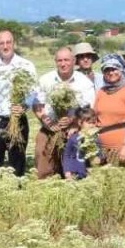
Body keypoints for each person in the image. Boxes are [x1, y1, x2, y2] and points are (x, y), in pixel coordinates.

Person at [31, 47, 97, 179]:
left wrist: (73, 121)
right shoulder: (46, 79)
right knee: (42, 150)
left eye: (66, 60)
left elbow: (89, 109)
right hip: (50, 126)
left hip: (75, 128)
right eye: (59, 60)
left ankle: (74, 178)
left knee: (73, 161)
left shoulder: (84, 82)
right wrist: (45, 119)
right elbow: (37, 104)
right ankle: (46, 182)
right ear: (55, 62)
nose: (63, 64)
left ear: (73, 61)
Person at [0, 27, 37, 176]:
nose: (5, 46)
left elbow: (33, 92)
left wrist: (24, 106)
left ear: (14, 43)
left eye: (8, 42)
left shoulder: (26, 65)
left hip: (17, 122)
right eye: (1, 43)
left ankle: (18, 194)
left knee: (17, 165)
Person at [94, 55, 125, 165]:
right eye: (107, 70)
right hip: (102, 149)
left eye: (114, 69)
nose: (111, 73)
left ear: (121, 70)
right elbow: (94, 118)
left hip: (123, 150)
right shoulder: (101, 92)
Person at [62, 106, 99, 180]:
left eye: (94, 123)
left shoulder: (96, 138)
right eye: (89, 123)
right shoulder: (73, 138)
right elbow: (67, 155)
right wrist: (67, 171)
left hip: (91, 175)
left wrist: (98, 159)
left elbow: (100, 153)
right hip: (75, 174)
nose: (92, 125)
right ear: (80, 122)